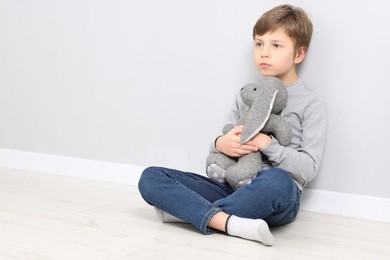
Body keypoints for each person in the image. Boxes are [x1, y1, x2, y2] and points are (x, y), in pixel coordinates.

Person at [138, 4, 327, 246]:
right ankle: (232, 224)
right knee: (151, 177)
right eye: (259, 44)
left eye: (276, 45)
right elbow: (224, 141)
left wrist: (267, 144)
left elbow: (309, 168)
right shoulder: (246, 94)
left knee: (277, 181)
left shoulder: (312, 103)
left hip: (276, 194)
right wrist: (221, 143)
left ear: (299, 54)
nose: (264, 53)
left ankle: (189, 213)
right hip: (231, 186)